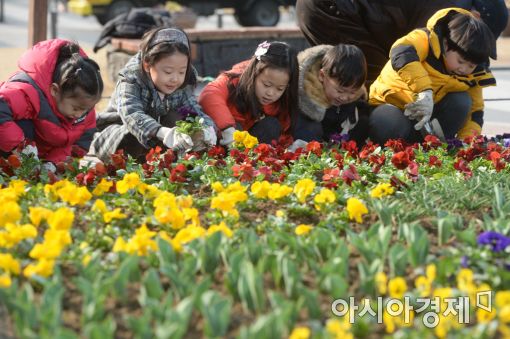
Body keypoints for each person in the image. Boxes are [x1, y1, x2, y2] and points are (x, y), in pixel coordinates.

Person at [295, 0, 508, 84]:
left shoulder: (458, 20)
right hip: (331, 9)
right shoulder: (444, 11)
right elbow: (412, 58)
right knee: (373, 82)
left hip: (362, 16)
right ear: (476, 17)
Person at [368, 8, 497, 145]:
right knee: (389, 122)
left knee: (462, 101)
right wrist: (424, 91)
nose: (464, 69)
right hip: (392, 105)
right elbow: (401, 52)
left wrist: (468, 142)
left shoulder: (474, 73)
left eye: (471, 66)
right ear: (446, 44)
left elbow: (475, 112)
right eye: (460, 61)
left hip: (426, 120)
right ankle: (392, 153)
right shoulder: (425, 39)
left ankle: (436, 147)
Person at [90, 27, 216, 163]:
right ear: (147, 65)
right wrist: (163, 132)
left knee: (185, 121)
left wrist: (208, 128)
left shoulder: (183, 84)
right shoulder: (131, 78)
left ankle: (169, 163)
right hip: (119, 136)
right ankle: (133, 164)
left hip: (157, 140)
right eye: (168, 72)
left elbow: (192, 109)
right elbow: (131, 114)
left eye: (181, 72)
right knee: (132, 132)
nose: (175, 79)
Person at [0, 39, 103, 167]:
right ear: (55, 90)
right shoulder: (29, 92)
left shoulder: (84, 110)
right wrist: (20, 147)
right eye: (76, 108)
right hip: (14, 152)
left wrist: (53, 164)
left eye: (86, 109)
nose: (80, 114)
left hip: (41, 161)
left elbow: (79, 146)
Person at [198, 41, 299, 146]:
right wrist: (227, 129)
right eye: (266, 85)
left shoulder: (283, 100)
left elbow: (284, 131)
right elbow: (209, 94)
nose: (271, 93)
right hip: (224, 137)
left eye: (280, 89)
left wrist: (291, 147)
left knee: (271, 125)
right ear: (254, 73)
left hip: (251, 144)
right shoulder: (234, 80)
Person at [292, 43, 369, 147]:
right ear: (322, 76)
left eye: (352, 92)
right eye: (340, 91)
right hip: (309, 145)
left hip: (337, 144)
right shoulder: (306, 97)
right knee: (311, 128)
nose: (345, 97)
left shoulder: (356, 100)